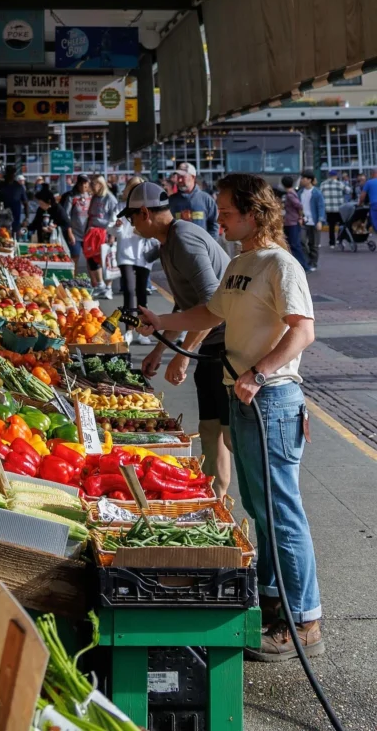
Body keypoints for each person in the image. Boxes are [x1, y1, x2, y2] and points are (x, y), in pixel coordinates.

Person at [137, 173, 323, 661]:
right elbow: (208, 313)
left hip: (273, 400)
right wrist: (162, 324)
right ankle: (270, 603)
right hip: (244, 399)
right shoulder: (241, 263)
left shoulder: (280, 265)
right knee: (261, 511)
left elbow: (302, 332)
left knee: (282, 513)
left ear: (255, 214)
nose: (218, 220)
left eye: (227, 213)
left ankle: (304, 621)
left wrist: (259, 374)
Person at [119, 181, 233, 497]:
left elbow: (215, 307)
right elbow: (185, 302)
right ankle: (215, 497)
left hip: (226, 346)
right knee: (210, 428)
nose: (130, 224)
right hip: (211, 345)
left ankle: (228, 497)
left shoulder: (184, 240)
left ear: (144, 213)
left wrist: (183, 352)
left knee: (229, 433)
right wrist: (161, 348)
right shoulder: (169, 242)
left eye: (131, 217)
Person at [114, 177, 159, 347]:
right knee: (129, 291)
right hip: (125, 253)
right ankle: (129, 329)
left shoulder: (147, 207)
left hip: (143, 255)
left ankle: (143, 330)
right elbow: (114, 230)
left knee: (141, 293)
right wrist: (118, 227)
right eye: (133, 189)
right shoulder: (122, 207)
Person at [83, 175, 118, 300]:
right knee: (92, 258)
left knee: (106, 261)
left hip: (105, 232)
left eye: (94, 184)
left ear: (100, 185)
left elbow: (115, 218)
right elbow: (90, 215)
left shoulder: (110, 199)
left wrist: (112, 235)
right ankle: (100, 284)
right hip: (92, 232)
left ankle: (108, 288)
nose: (91, 187)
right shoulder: (94, 197)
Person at [169, 162, 219, 239]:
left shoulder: (206, 199)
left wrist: (210, 246)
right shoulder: (171, 201)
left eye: (183, 176)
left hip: (201, 247)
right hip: (178, 248)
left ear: (193, 177)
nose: (179, 180)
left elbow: (214, 225)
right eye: (178, 176)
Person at [280, 175, 309, 272]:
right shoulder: (292, 192)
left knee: (295, 245)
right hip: (290, 222)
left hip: (292, 222)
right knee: (293, 244)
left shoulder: (289, 195)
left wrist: (300, 217)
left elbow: (299, 206)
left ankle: (303, 266)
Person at [298, 171, 326, 271]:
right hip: (303, 221)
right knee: (301, 241)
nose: (301, 180)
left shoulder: (316, 192)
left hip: (314, 221)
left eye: (303, 178)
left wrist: (320, 221)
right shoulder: (300, 192)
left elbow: (321, 207)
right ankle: (307, 260)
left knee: (314, 244)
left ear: (309, 180)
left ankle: (313, 263)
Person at [61, 175, 91, 261]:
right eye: (81, 183)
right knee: (74, 258)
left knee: (90, 259)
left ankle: (90, 275)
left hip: (88, 234)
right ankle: (74, 275)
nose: (83, 186)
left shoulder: (91, 195)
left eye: (85, 183)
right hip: (74, 235)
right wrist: (70, 233)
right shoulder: (71, 197)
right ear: (77, 184)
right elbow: (66, 216)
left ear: (88, 184)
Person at [0, 168, 29, 235]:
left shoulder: (19, 187)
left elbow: (26, 203)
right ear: (6, 175)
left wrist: (26, 218)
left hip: (15, 220)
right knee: (2, 236)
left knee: (14, 238)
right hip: (1, 218)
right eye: (9, 174)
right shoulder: (0, 186)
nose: (11, 176)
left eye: (12, 174)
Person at [320, 170, 347, 247]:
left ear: (329, 176)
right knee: (341, 225)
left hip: (329, 209)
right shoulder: (339, 184)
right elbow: (348, 190)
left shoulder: (323, 184)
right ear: (336, 176)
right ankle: (339, 240)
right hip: (339, 209)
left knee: (331, 227)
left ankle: (332, 243)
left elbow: (320, 194)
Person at [359, 168, 377, 233]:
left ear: (373, 174)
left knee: (375, 222)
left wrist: (360, 203)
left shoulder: (369, 182)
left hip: (374, 204)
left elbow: (362, 196)